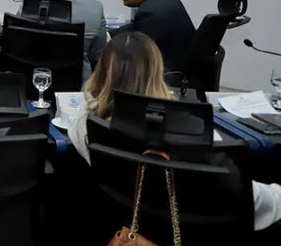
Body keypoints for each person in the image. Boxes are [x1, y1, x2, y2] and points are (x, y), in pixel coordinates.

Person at [67, 32, 281, 231]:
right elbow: (244, 199)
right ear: (158, 70)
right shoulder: (195, 133)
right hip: (196, 239)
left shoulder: (87, 120)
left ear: (103, 69)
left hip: (131, 234)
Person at [115, 0, 195, 75]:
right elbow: (136, 26)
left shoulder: (149, 11)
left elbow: (137, 53)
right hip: (183, 68)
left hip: (166, 75)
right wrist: (112, 33)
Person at [40, 0, 107, 81]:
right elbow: (97, 54)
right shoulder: (95, 8)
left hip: (37, 79)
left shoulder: (30, 5)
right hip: (79, 86)